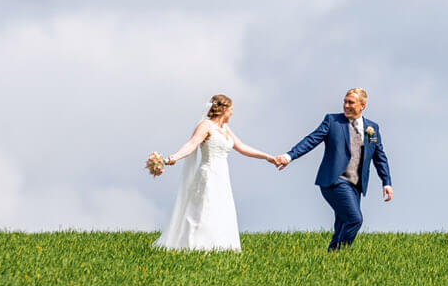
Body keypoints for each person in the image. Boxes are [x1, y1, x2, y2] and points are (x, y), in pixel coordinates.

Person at [151, 94, 278, 252]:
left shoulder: (225, 129)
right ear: (224, 109)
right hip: (209, 173)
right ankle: (196, 245)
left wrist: (268, 157)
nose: (232, 113)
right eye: (231, 109)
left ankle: (220, 246)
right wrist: (174, 157)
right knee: (205, 209)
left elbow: (242, 147)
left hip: (223, 176)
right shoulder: (206, 126)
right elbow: (192, 144)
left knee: (221, 210)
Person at [276, 87, 392, 251]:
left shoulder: (372, 128)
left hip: (356, 185)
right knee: (355, 219)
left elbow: (379, 156)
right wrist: (289, 156)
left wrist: (386, 182)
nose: (346, 105)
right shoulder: (332, 121)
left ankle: (332, 258)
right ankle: (340, 253)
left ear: (362, 106)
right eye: (345, 101)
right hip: (334, 181)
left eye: (350, 102)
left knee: (343, 222)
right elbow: (311, 140)